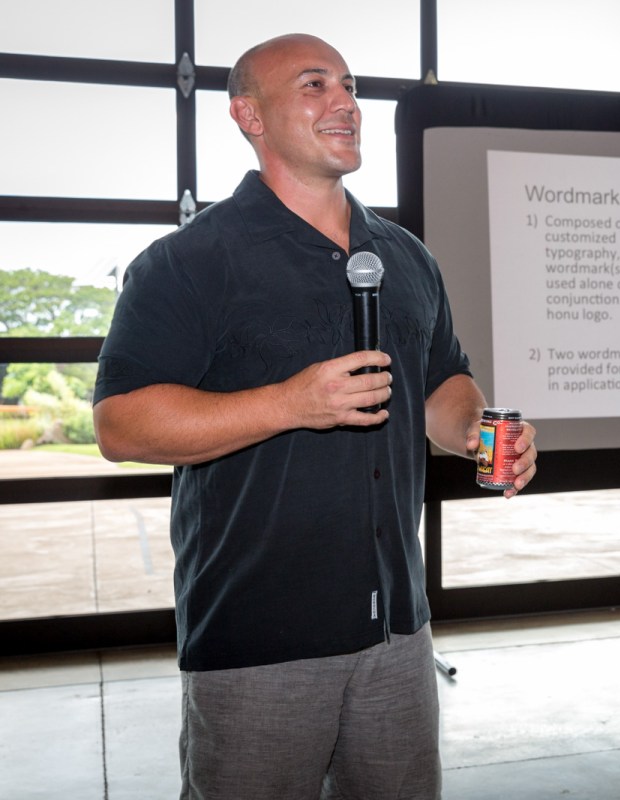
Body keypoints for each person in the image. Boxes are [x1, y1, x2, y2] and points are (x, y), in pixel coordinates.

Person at [92, 32, 536, 800]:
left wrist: (473, 431)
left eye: (350, 85)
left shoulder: (406, 257)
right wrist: (291, 403)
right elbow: (121, 425)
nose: (346, 103)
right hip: (259, 641)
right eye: (314, 85)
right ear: (249, 115)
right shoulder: (188, 262)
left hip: (400, 632)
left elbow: (443, 381)